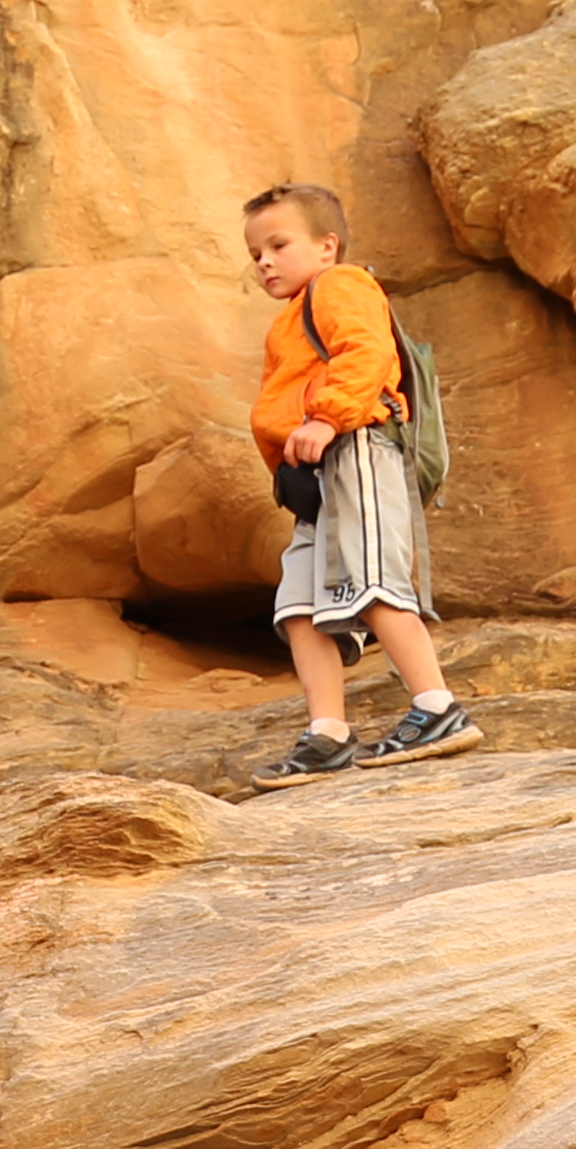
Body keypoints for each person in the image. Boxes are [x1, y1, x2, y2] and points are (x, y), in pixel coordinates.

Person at [239, 179, 480, 784]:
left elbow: (365, 353)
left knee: (371, 582)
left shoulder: (340, 284)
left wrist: (325, 419)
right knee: (298, 606)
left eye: (278, 244)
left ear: (328, 246)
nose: (265, 261)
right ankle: (328, 733)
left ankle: (436, 706)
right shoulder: (288, 322)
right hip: (316, 473)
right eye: (255, 254)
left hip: (356, 445)